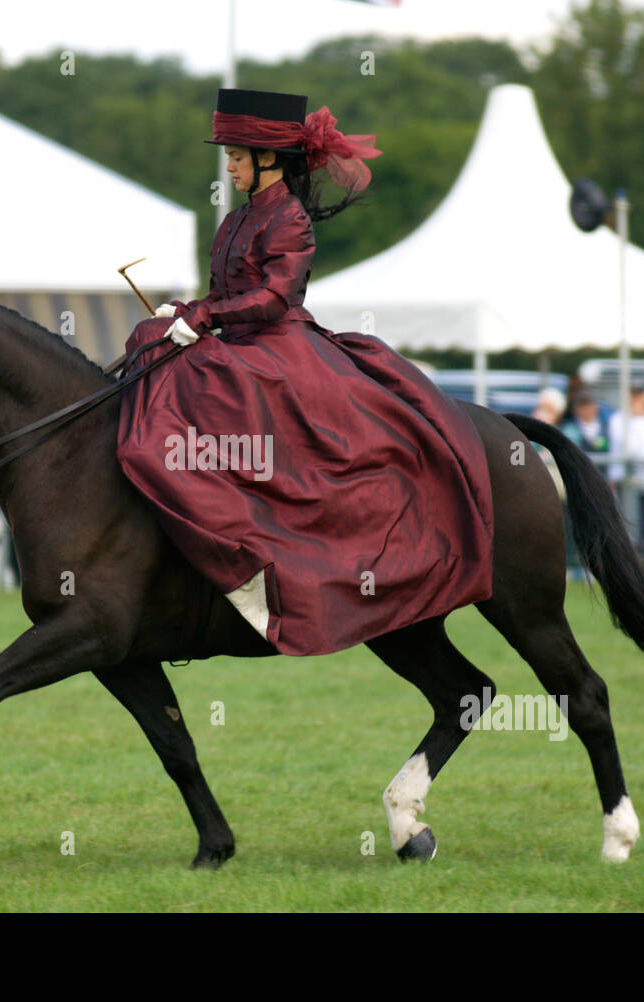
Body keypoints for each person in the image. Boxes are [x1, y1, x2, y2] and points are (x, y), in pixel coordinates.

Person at [115, 88, 495, 656]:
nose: (229, 164)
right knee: (149, 337)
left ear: (268, 159)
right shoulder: (236, 219)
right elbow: (223, 294)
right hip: (239, 341)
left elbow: (272, 297)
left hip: (278, 346)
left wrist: (207, 315)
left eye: (236, 156)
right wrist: (187, 310)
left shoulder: (289, 218)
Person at [606, 385, 644, 570]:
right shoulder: (619, 420)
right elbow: (629, 449)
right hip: (626, 481)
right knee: (627, 525)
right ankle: (626, 565)